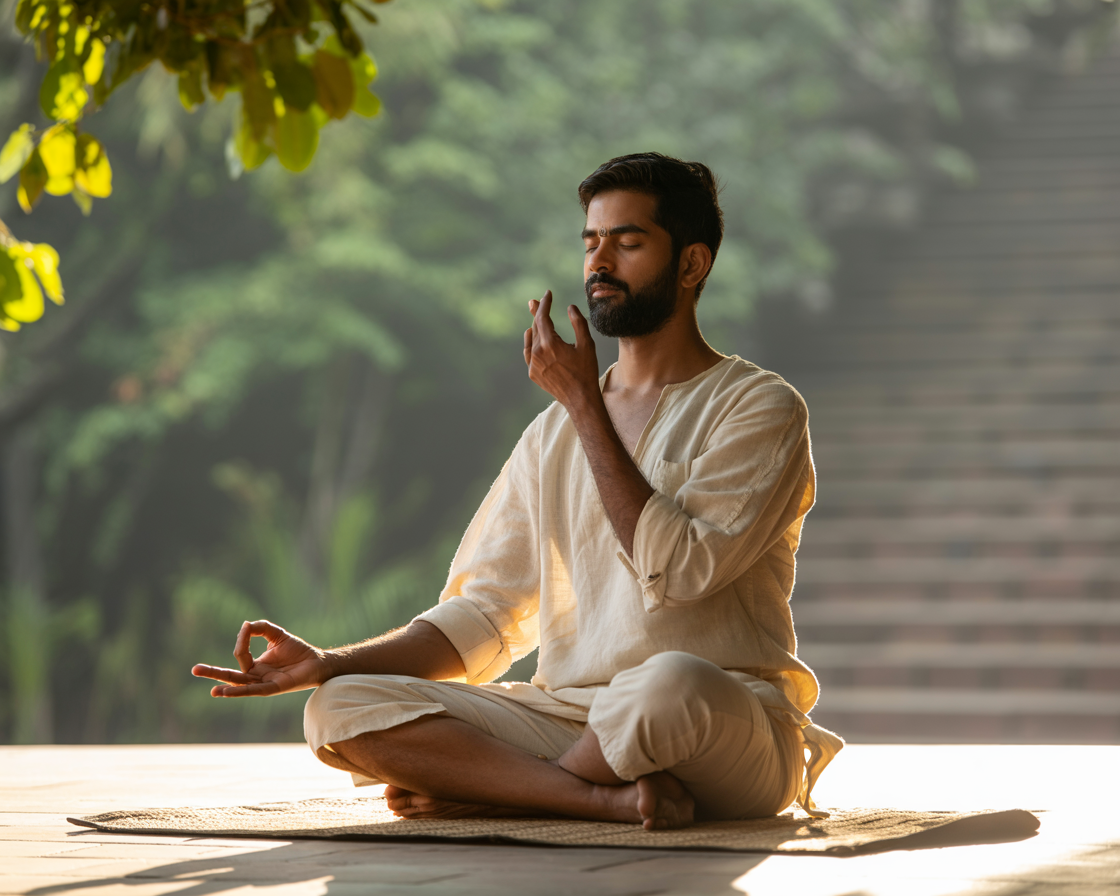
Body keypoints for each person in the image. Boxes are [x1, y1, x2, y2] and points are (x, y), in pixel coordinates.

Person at [192, 152, 843, 831]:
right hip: (570, 718)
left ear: (691, 264)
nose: (599, 263)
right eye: (591, 242)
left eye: (627, 242)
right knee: (338, 706)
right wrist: (327, 662)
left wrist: (585, 406)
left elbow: (677, 572)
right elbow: (483, 614)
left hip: (719, 719)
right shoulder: (550, 433)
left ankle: (501, 789)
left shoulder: (758, 407)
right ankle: (593, 798)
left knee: (667, 682)